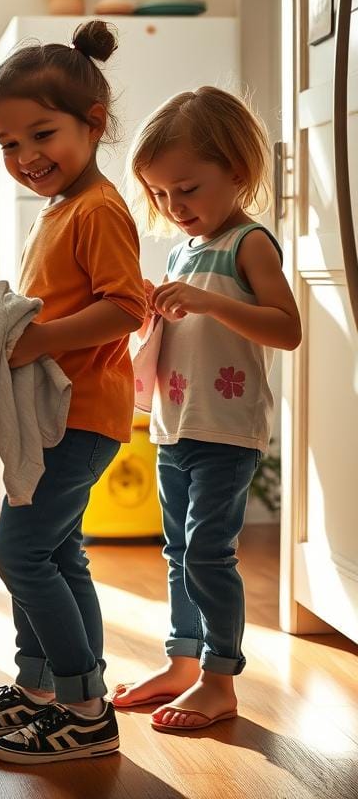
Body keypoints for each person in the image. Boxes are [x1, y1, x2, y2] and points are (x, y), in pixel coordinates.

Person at [0, 21, 146, 764]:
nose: (25, 157)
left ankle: (86, 709)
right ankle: (43, 691)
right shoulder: (62, 209)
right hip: (59, 415)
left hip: (83, 414)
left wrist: (35, 340)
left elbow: (127, 308)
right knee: (59, 555)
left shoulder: (97, 209)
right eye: (7, 144)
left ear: (93, 124)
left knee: (20, 552)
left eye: (41, 135)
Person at [114, 87, 301, 732]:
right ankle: (182, 662)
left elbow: (286, 327)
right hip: (175, 425)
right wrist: (152, 308)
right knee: (177, 551)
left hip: (227, 430)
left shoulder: (248, 243)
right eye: (161, 195)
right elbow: (181, 329)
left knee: (207, 552)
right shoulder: (181, 251)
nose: (174, 206)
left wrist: (211, 302)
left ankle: (220, 679)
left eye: (187, 189)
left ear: (238, 171)